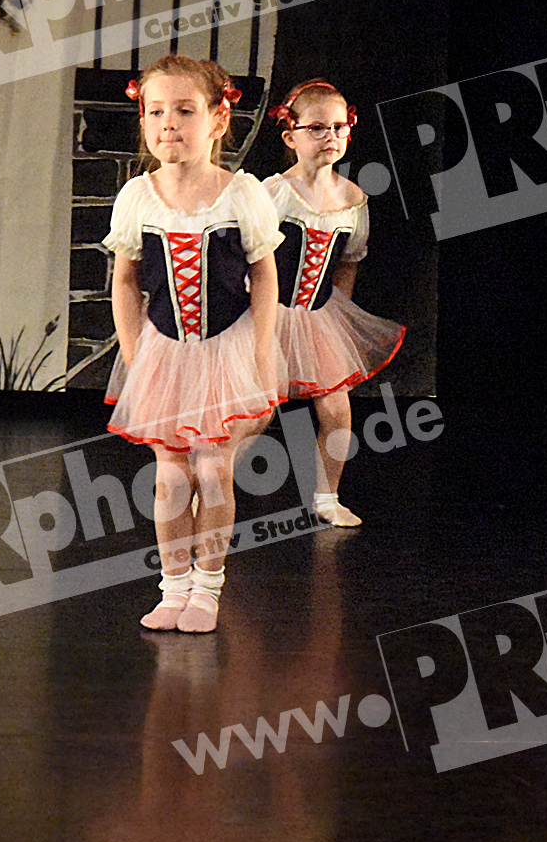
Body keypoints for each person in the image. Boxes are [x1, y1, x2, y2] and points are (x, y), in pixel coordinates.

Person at [104, 55, 284, 634]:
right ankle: (172, 585)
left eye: (184, 111)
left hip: (227, 349)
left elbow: (264, 274)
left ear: (218, 120)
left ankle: (207, 589)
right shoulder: (138, 195)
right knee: (171, 476)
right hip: (164, 350)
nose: (168, 124)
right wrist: (134, 355)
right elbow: (125, 281)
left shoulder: (241, 193)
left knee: (212, 469)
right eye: (155, 111)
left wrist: (261, 350)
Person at [267, 79, 405, 527]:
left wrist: (338, 318)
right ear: (290, 137)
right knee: (250, 414)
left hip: (319, 315)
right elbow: (252, 258)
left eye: (339, 127)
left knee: (337, 410)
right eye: (317, 128)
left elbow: (349, 262)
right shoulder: (274, 192)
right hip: (268, 314)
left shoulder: (353, 198)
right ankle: (210, 493)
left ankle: (327, 496)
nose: (330, 136)